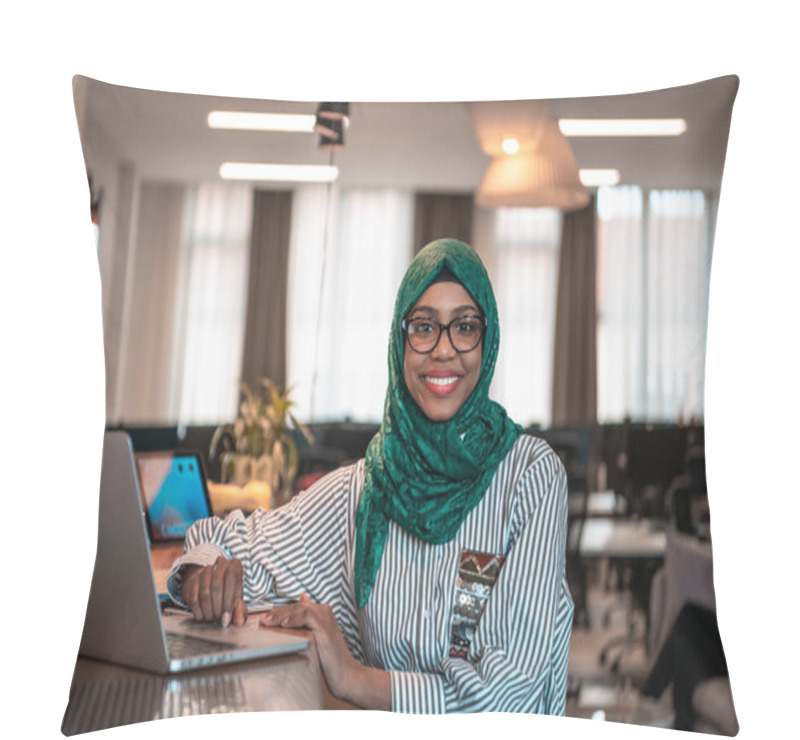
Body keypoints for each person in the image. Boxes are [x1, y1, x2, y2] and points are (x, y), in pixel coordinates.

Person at [167, 237, 573, 714]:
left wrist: (355, 678)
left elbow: (510, 695)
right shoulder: (363, 490)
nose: (443, 350)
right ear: (399, 343)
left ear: (488, 341)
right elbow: (221, 540)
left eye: (465, 327)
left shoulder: (530, 476)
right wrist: (203, 576)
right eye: (423, 327)